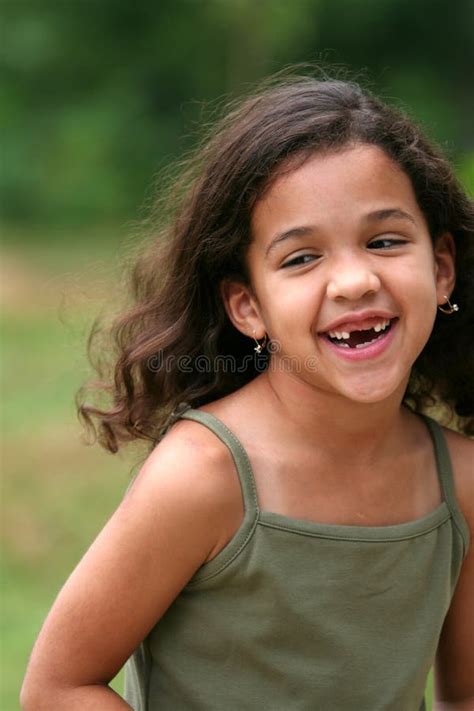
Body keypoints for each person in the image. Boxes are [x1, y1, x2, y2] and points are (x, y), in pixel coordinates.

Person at [21, 72, 474, 711]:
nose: (352, 281)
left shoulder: (461, 482)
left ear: (441, 268)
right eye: (301, 258)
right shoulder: (205, 477)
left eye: (384, 241)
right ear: (247, 306)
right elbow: (59, 687)